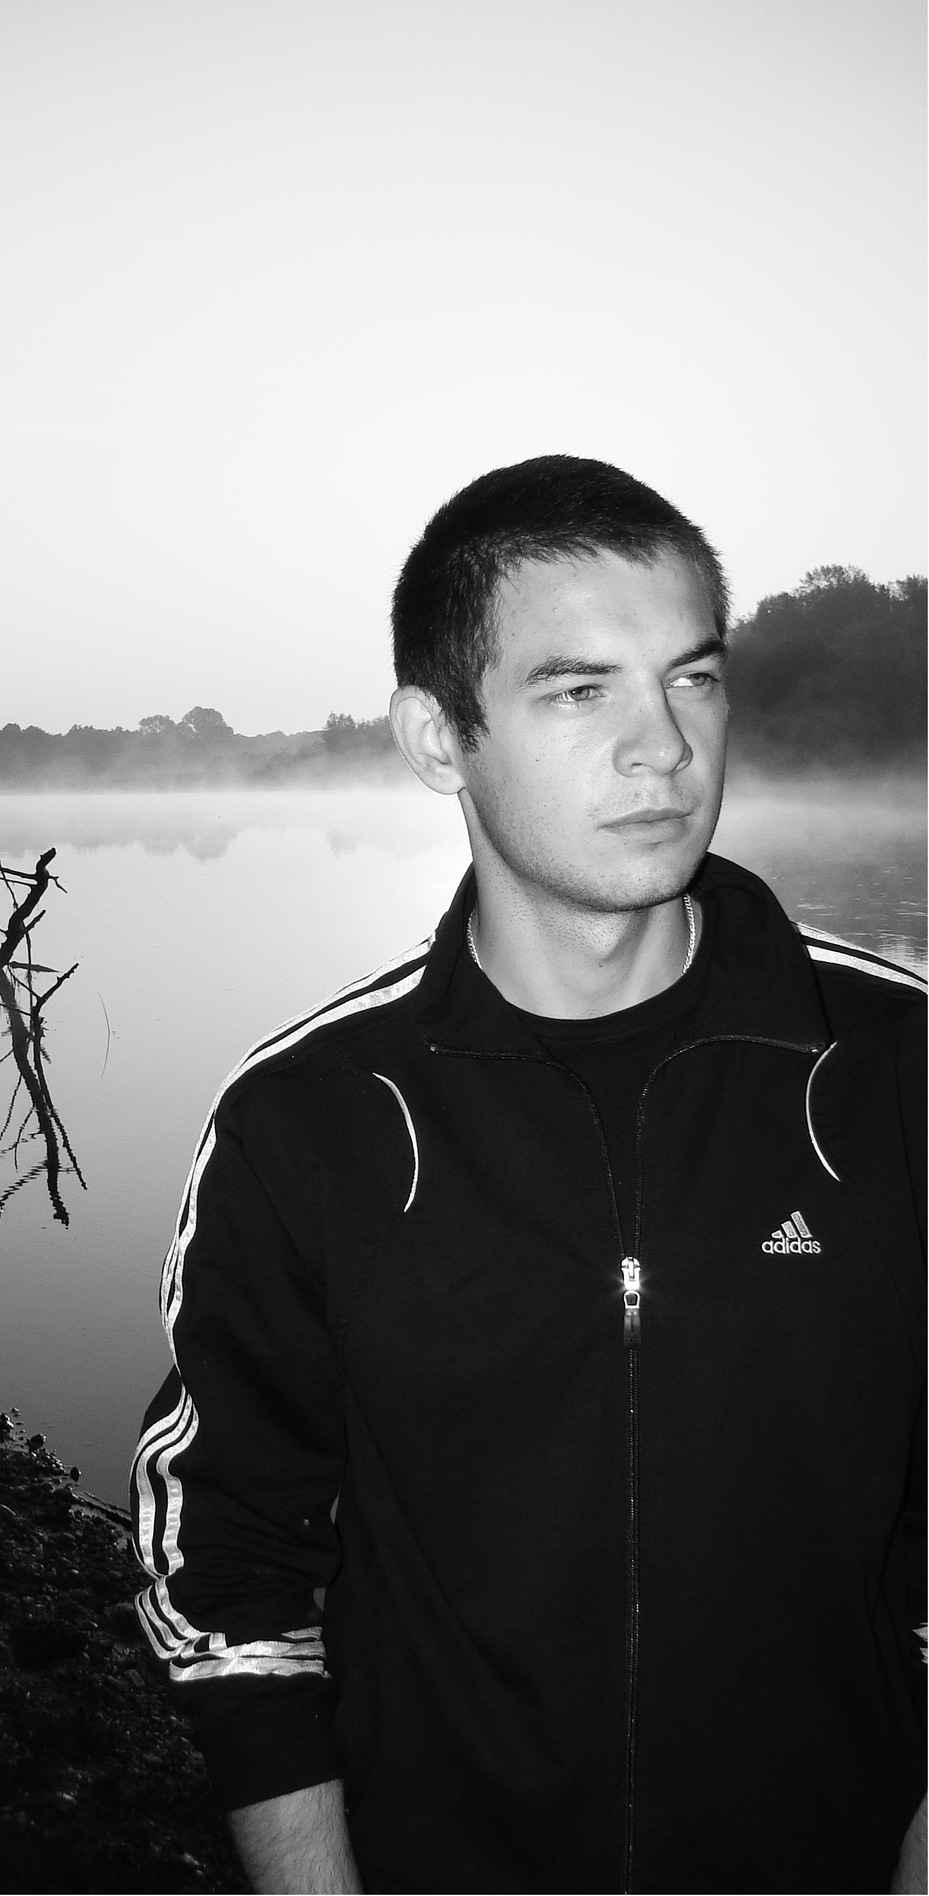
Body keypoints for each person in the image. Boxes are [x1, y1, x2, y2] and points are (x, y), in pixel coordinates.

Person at [131, 457, 925, 1895]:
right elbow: (230, 1570)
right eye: (578, 690)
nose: (662, 748)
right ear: (438, 737)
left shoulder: (895, 1074)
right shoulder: (311, 1119)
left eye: (692, 678)